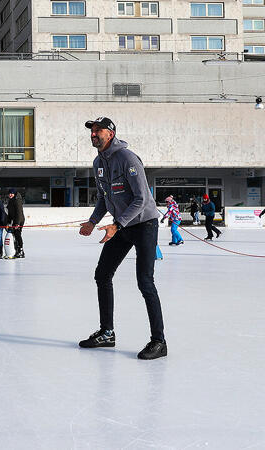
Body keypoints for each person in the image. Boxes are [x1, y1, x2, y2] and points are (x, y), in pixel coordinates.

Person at [78, 116, 166, 360]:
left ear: (111, 133)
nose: (94, 134)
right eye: (92, 131)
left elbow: (141, 199)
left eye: (98, 130)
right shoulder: (98, 162)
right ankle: (107, 332)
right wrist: (93, 221)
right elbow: (104, 197)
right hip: (121, 226)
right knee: (102, 274)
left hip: (144, 224)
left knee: (145, 282)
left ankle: (159, 341)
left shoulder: (128, 158)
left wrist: (117, 224)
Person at [7, 188, 25, 258]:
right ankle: (17, 250)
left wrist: (17, 223)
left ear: (14, 194)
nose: (10, 195)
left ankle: (20, 249)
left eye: (11, 193)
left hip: (19, 220)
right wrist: (8, 222)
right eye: (9, 193)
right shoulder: (11, 201)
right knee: (14, 235)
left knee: (17, 234)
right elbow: (9, 213)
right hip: (14, 220)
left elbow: (19, 213)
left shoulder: (17, 201)